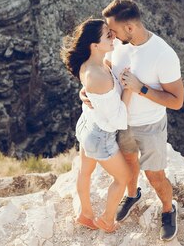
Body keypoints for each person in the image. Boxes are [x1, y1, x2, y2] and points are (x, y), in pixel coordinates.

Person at [82, 0, 184, 241]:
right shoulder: (118, 44)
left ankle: (169, 210)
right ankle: (132, 195)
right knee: (128, 166)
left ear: (130, 28)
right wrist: (87, 91)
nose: (111, 35)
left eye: (114, 30)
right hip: (121, 123)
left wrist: (142, 89)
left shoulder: (163, 54)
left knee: (155, 176)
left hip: (150, 126)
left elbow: (177, 101)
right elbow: (104, 67)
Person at [60, 18, 133, 233]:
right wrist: (129, 87)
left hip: (86, 126)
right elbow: (118, 120)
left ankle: (85, 215)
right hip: (100, 136)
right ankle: (107, 220)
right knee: (123, 178)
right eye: (108, 36)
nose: (113, 37)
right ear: (94, 45)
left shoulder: (92, 62)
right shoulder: (98, 76)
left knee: (85, 172)